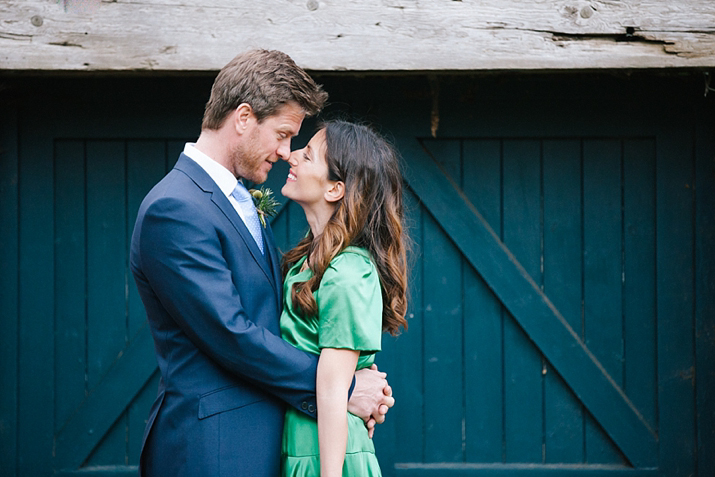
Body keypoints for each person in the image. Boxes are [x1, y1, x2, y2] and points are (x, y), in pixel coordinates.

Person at [130, 50, 393, 477]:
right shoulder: (175, 208)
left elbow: (277, 320)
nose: (287, 152)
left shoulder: (235, 200)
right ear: (244, 118)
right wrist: (341, 387)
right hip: (215, 448)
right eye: (283, 134)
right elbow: (231, 332)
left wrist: (351, 372)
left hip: (261, 441)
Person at [279, 120, 409, 476]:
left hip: (325, 458)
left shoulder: (348, 273)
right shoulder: (310, 262)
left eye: (307, 156)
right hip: (300, 442)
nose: (290, 156)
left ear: (335, 188)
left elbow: (335, 390)